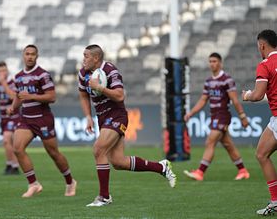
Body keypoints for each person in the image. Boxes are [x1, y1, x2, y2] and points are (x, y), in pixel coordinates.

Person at [78, 44, 176, 207]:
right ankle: (161, 167)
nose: (83, 59)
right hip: (102, 118)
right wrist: (88, 116)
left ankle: (104, 197)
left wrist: (100, 88)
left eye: (86, 56)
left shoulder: (110, 70)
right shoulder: (83, 73)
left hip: (117, 115)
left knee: (98, 149)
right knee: (118, 162)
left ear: (96, 58)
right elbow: (82, 95)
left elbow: (120, 95)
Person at [7, 44, 77, 198]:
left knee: (53, 153)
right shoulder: (18, 76)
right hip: (26, 118)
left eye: (33, 54)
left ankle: (70, 181)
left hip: (43, 119)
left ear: (37, 56)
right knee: (17, 148)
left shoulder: (42, 75)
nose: (30, 56)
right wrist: (13, 107)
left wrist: (31, 96)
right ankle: (33, 184)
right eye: (27, 54)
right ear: (23, 56)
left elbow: (52, 97)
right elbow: (19, 96)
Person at [183, 52, 250, 181]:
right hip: (214, 116)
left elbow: (235, 100)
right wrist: (191, 113)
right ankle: (243, 170)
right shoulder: (208, 82)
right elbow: (203, 100)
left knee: (210, 141)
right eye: (210, 61)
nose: (212, 64)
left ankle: (200, 172)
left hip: (223, 116)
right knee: (228, 144)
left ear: (220, 63)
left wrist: (242, 117)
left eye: (214, 61)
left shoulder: (227, 80)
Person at [242, 29, 277, 215]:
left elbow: (258, 95)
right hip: (275, 121)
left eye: (259, 47)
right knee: (261, 153)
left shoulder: (265, 64)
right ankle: (275, 201)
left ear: (262, 45)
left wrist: (247, 95)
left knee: (262, 155)